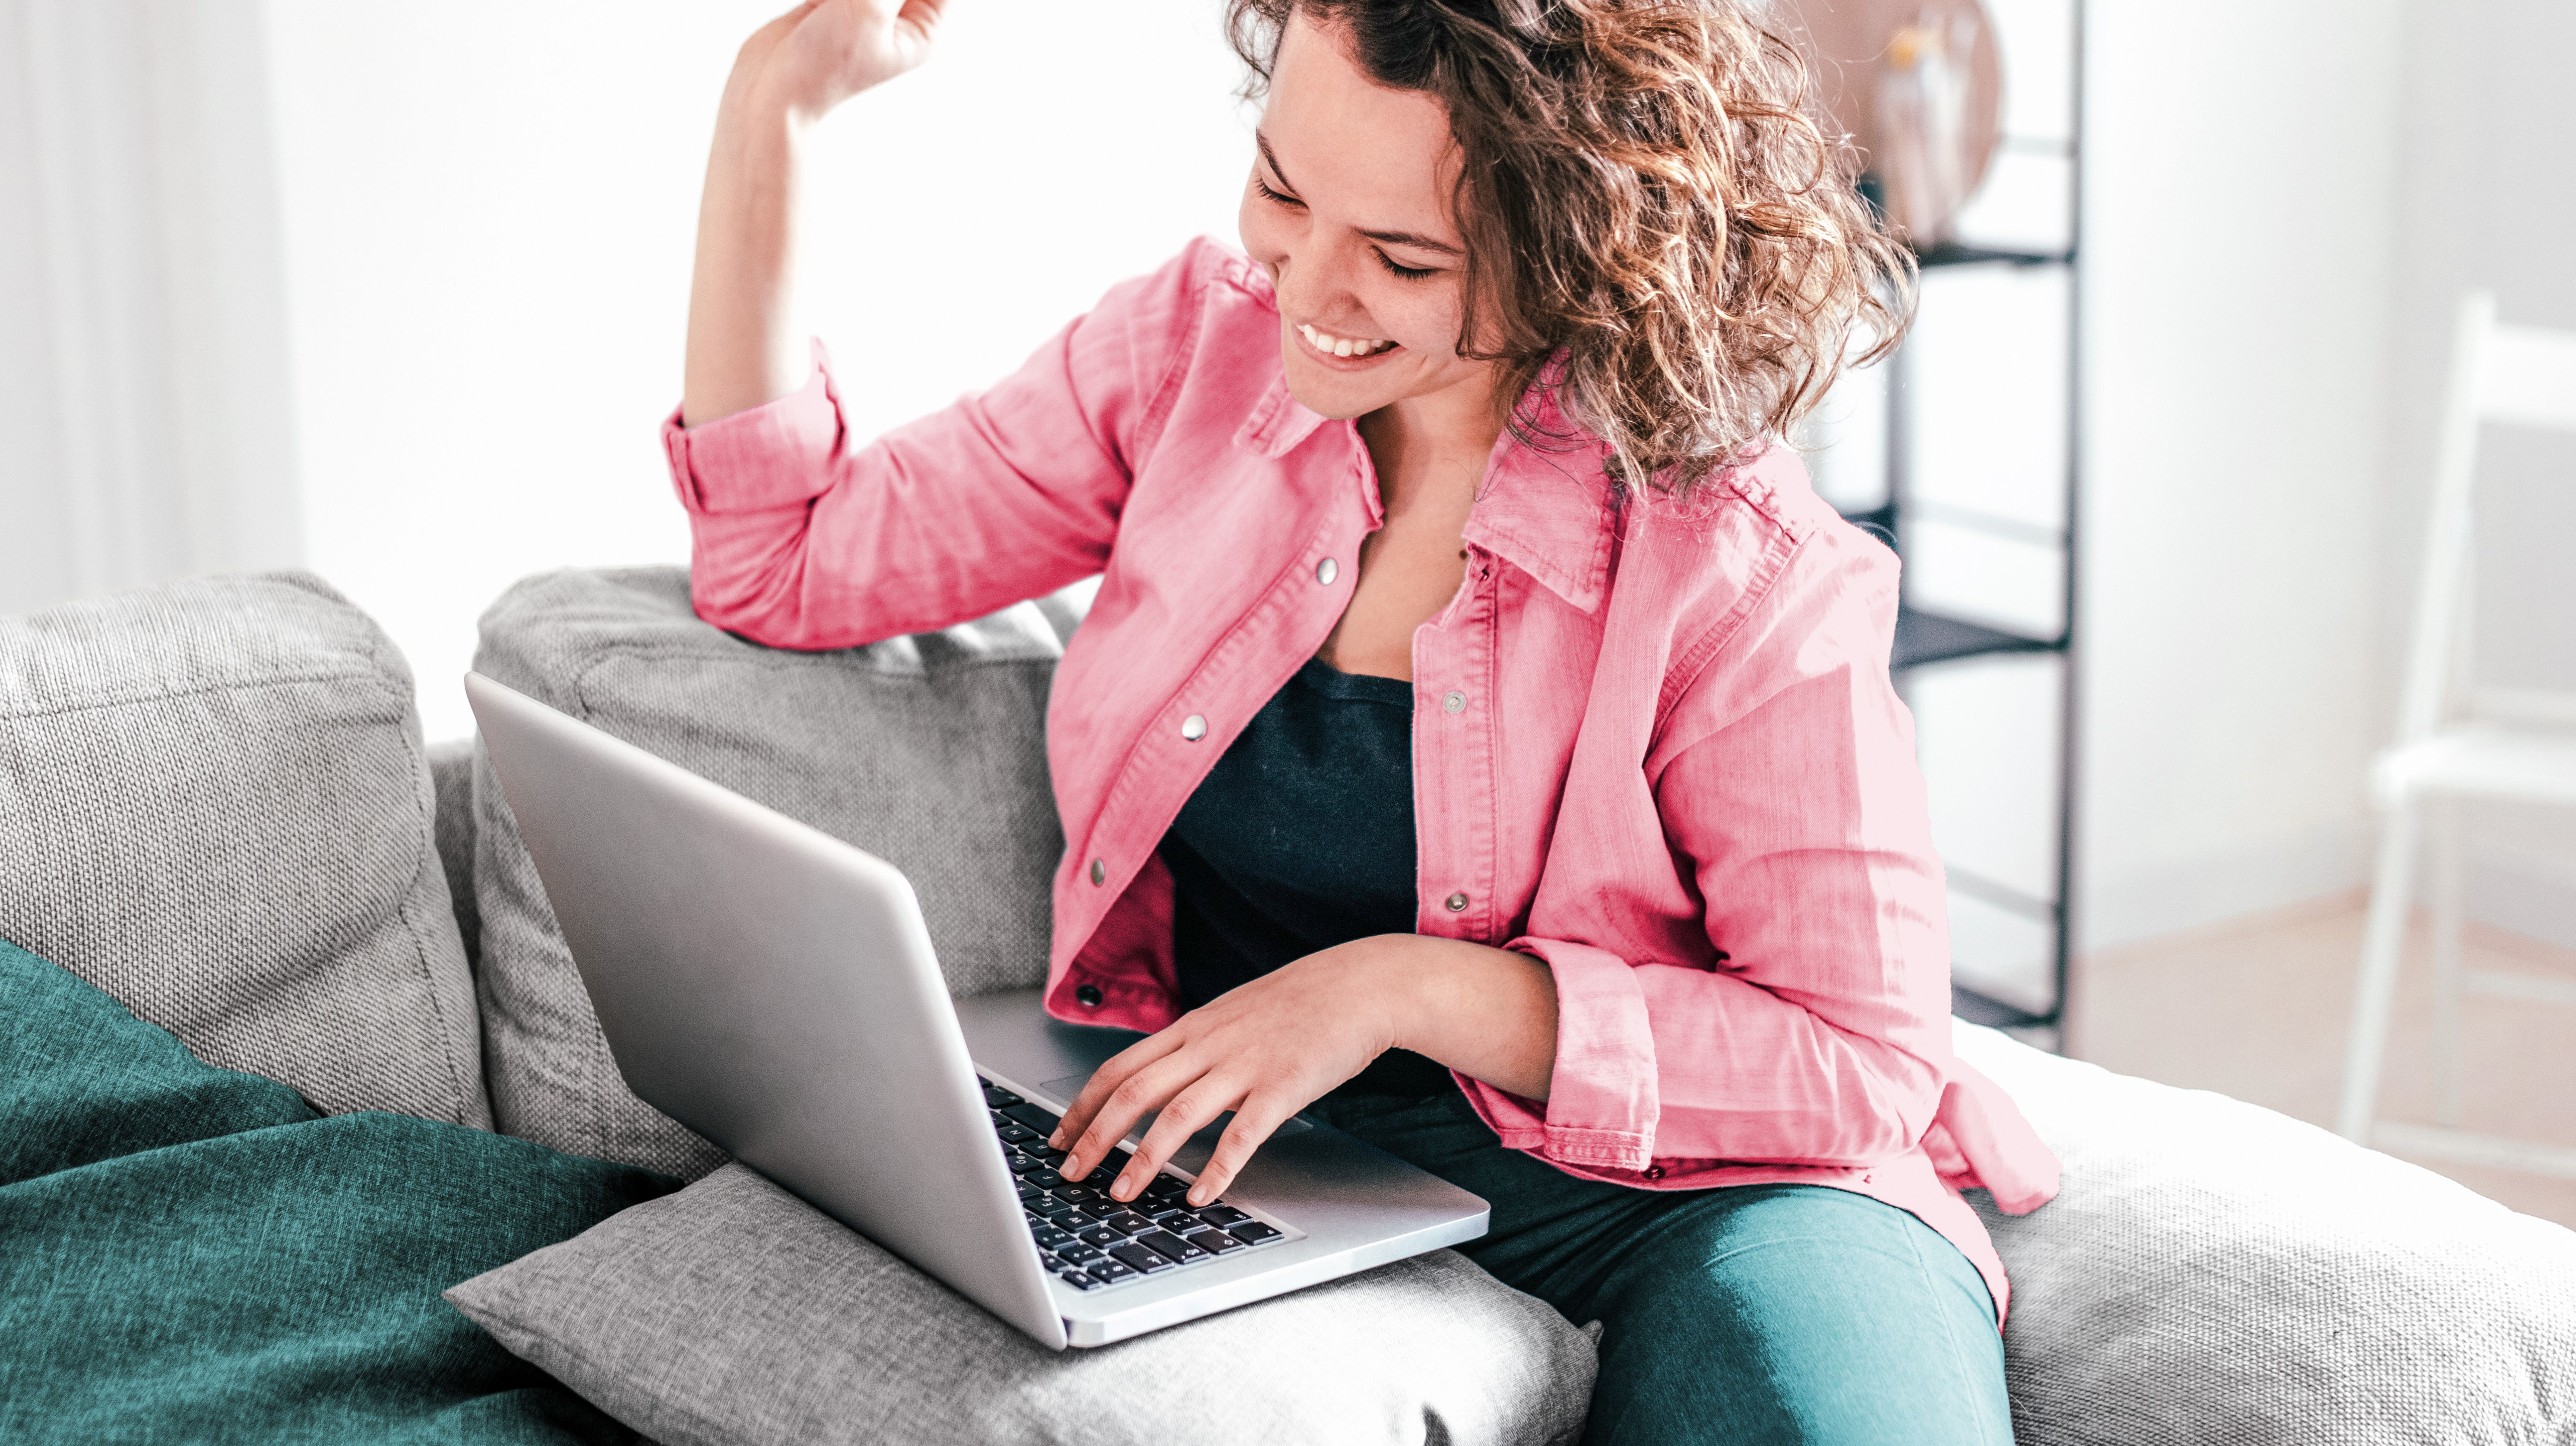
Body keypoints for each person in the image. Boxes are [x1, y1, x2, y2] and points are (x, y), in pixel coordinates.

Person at [671, 0, 2060, 1440]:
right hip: (1273, 1171)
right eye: (1282, 189)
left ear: (1587, 257)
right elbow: (782, 560)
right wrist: (774, 110)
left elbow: (1863, 1058)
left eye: (1404, 257)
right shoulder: (1188, 357)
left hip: (1706, 1193)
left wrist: (1399, 987)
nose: (1305, 287)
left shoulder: (1742, 561)